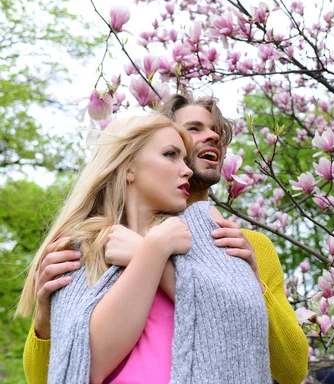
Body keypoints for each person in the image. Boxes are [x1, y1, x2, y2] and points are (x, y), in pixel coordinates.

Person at [21, 94, 309, 383]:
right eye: (193, 129)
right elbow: (55, 373)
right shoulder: (94, 243)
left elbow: (292, 370)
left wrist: (249, 284)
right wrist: (45, 322)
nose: (212, 137)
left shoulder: (243, 246)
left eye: (217, 132)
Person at [16, 113, 198, 382]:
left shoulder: (197, 240)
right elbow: (83, 364)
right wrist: (154, 249)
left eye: (185, 159)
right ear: (128, 167)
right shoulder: (82, 246)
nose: (187, 170)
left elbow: (232, 327)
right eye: (170, 155)